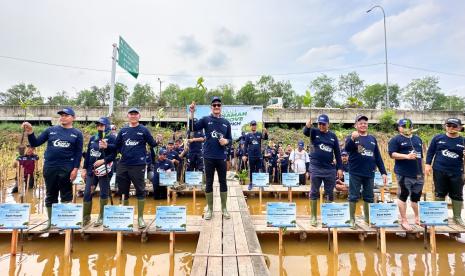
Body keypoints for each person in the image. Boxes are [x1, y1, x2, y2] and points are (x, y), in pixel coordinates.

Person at [22, 107, 83, 230]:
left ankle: (64, 222)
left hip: (67, 167)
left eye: (66, 115)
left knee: (66, 195)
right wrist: (30, 132)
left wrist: (76, 169)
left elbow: (78, 153)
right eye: (61, 115)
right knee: (51, 194)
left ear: (73, 118)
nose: (63, 117)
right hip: (50, 166)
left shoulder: (77, 134)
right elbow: (35, 143)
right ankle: (51, 222)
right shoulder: (51, 130)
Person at [102, 107, 158, 229]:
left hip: (138, 165)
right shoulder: (123, 131)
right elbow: (116, 146)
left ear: (139, 116)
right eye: (131, 114)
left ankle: (140, 218)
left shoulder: (144, 130)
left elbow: (153, 144)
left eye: (135, 114)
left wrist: (156, 145)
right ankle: (126, 217)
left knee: (140, 190)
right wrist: (107, 146)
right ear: (128, 116)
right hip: (123, 165)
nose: (133, 116)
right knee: (123, 191)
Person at [189, 97, 232, 220]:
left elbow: (230, 140)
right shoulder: (205, 120)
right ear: (211, 107)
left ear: (221, 107)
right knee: (208, 182)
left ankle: (224, 209)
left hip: (221, 157)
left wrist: (226, 141)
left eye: (218, 105)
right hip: (208, 156)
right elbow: (192, 128)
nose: (216, 107)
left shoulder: (226, 122)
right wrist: (192, 112)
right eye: (214, 105)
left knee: (223, 182)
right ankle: (210, 209)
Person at [345, 114, 387, 229]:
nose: (363, 125)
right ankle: (352, 219)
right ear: (356, 125)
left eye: (365, 123)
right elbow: (347, 149)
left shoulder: (372, 139)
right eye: (360, 123)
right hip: (355, 172)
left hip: (369, 173)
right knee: (353, 196)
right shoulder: (352, 137)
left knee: (368, 196)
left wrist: (383, 172)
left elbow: (378, 157)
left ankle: (367, 218)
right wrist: (353, 139)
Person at [304, 114, 343, 226]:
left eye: (323, 124)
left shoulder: (333, 136)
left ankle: (328, 217)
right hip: (315, 167)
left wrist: (339, 168)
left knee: (329, 192)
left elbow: (338, 153)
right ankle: (313, 217)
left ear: (328, 124)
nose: (321, 125)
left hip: (329, 169)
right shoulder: (314, 132)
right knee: (314, 192)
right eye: (319, 123)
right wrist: (307, 126)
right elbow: (306, 132)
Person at [425, 118, 465, 227]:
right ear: (445, 126)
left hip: (457, 171)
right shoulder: (438, 138)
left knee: (457, 194)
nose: (451, 128)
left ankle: (457, 217)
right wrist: (428, 164)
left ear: (460, 127)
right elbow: (430, 152)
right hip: (439, 170)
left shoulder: (463, 140)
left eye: (454, 126)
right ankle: (440, 216)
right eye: (448, 125)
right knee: (439, 192)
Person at [388, 118, 424, 230]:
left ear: (412, 128)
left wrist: (422, 172)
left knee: (416, 197)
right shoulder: (395, 140)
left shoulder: (418, 139)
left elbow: (420, 157)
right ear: (399, 128)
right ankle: (404, 220)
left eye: (409, 126)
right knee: (403, 196)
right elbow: (392, 154)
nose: (406, 128)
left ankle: (417, 218)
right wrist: (406, 156)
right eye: (403, 126)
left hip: (418, 174)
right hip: (403, 173)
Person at [81, 117, 116, 227]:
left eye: (102, 125)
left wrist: (103, 160)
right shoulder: (93, 138)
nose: (100, 127)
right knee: (87, 193)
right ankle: (86, 217)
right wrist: (84, 168)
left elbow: (115, 155)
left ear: (107, 126)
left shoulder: (112, 138)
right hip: (91, 171)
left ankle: (101, 216)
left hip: (104, 171)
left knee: (104, 193)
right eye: (98, 125)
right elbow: (88, 155)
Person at [242, 120, 268, 190]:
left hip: (258, 155)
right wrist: (244, 155)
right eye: (252, 125)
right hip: (251, 155)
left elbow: (265, 138)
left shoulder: (259, 134)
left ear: (256, 126)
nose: (254, 126)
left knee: (260, 169)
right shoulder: (248, 135)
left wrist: (265, 132)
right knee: (252, 169)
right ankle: (251, 183)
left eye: (255, 125)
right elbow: (245, 146)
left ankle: (260, 183)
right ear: (250, 126)